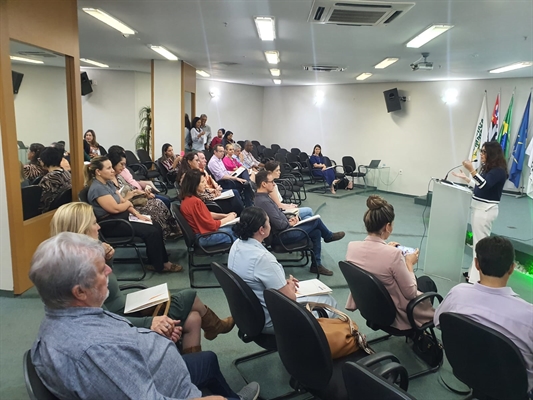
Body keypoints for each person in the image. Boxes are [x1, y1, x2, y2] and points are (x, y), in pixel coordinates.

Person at [29, 232, 260, 400]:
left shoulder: (67, 315)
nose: (110, 271)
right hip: (170, 390)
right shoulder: (95, 352)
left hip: (154, 370)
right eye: (101, 270)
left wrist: (154, 341)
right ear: (79, 292)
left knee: (207, 359)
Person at [50, 202, 235, 353]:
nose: (98, 226)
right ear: (80, 229)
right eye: (93, 223)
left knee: (194, 318)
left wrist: (109, 260)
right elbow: (103, 319)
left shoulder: (83, 256)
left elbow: (107, 284)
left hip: (127, 306)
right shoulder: (79, 272)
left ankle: (192, 370)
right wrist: (149, 323)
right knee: (189, 296)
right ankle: (215, 327)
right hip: (123, 319)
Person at [434, 236, 533, 393]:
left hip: (467, 372)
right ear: (511, 268)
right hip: (513, 388)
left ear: (476, 264)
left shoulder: (457, 294)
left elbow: (438, 322)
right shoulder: (528, 316)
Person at [228, 207, 338, 334]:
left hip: (249, 315)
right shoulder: (263, 258)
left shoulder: (237, 244)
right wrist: (289, 286)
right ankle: (328, 344)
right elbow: (290, 298)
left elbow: (256, 279)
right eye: (268, 222)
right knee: (328, 301)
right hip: (271, 319)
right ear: (262, 230)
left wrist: (282, 282)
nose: (271, 225)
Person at [345, 195, 437, 330]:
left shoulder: (352, 247)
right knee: (427, 282)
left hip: (370, 307)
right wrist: (409, 264)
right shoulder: (393, 255)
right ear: (388, 226)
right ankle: (417, 328)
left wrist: (386, 249)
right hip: (394, 313)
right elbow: (410, 293)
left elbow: (372, 260)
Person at [85, 156, 181, 273]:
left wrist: (138, 215)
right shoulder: (97, 189)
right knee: (151, 231)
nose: (112, 170)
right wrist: (127, 204)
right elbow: (115, 209)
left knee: (155, 224)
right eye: (109, 168)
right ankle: (161, 265)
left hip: (121, 217)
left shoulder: (108, 183)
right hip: (111, 224)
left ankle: (157, 259)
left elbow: (123, 201)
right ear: (98, 172)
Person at [254, 170, 345, 276]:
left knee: (316, 232)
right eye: (272, 181)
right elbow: (278, 224)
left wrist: (289, 220)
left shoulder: (262, 198)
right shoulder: (264, 201)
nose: (274, 184)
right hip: (281, 236)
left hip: (283, 230)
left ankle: (316, 265)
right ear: (264, 184)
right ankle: (328, 236)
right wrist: (289, 224)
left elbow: (277, 215)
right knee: (316, 221)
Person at [452, 140, 508, 283]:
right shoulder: (490, 169)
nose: (481, 154)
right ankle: (473, 273)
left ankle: (477, 278)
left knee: (481, 245)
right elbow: (480, 186)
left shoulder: (498, 171)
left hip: (485, 211)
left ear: (491, 154)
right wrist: (466, 179)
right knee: (478, 244)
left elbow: (484, 184)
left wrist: (471, 170)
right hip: (479, 208)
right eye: (481, 151)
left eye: (484, 152)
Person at [108, 151, 181, 239]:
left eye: (124, 165)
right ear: (113, 164)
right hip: (128, 206)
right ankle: (163, 233)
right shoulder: (109, 182)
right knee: (155, 207)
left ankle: (171, 229)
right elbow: (120, 201)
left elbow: (131, 189)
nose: (124, 167)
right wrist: (131, 196)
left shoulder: (119, 176)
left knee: (159, 202)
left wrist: (142, 193)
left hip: (133, 200)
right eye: (121, 164)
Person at [180, 169, 238, 247]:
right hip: (204, 237)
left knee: (236, 227)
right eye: (202, 182)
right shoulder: (195, 202)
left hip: (202, 234)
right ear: (194, 184)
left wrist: (225, 215)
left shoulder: (187, 198)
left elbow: (206, 214)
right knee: (239, 231)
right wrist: (229, 218)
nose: (205, 184)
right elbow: (212, 226)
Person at [197, 151, 245, 215]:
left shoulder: (204, 170)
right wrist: (215, 190)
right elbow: (203, 189)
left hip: (216, 190)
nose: (205, 160)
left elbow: (213, 181)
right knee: (235, 193)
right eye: (202, 158)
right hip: (211, 196)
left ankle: (243, 213)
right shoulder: (197, 174)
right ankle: (243, 215)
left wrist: (217, 188)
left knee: (237, 190)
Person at [38, 147, 72, 212]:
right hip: (64, 209)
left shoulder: (48, 179)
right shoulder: (66, 173)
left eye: (40, 159)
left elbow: (41, 203)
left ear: (44, 160)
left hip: (50, 212)